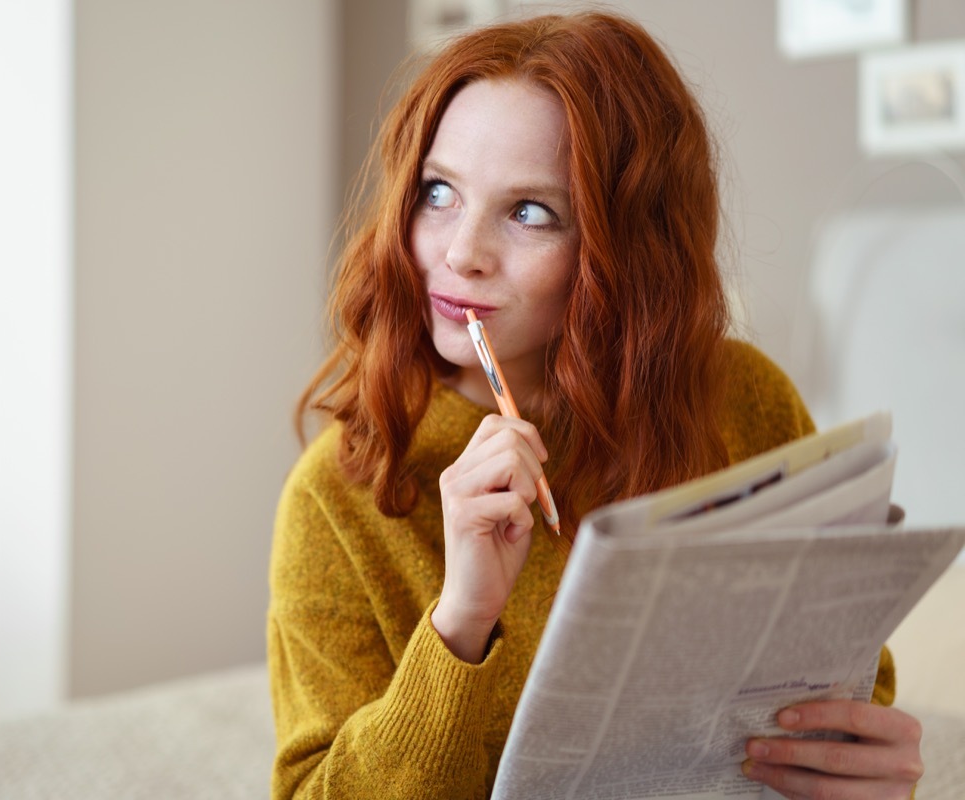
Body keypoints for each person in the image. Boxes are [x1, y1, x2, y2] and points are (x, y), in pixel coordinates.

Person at [268, 11, 922, 800]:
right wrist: (463, 619)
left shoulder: (743, 400)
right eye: (438, 192)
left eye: (529, 212)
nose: (459, 252)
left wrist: (862, 770)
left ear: (626, 250)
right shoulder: (338, 493)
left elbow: (847, 688)